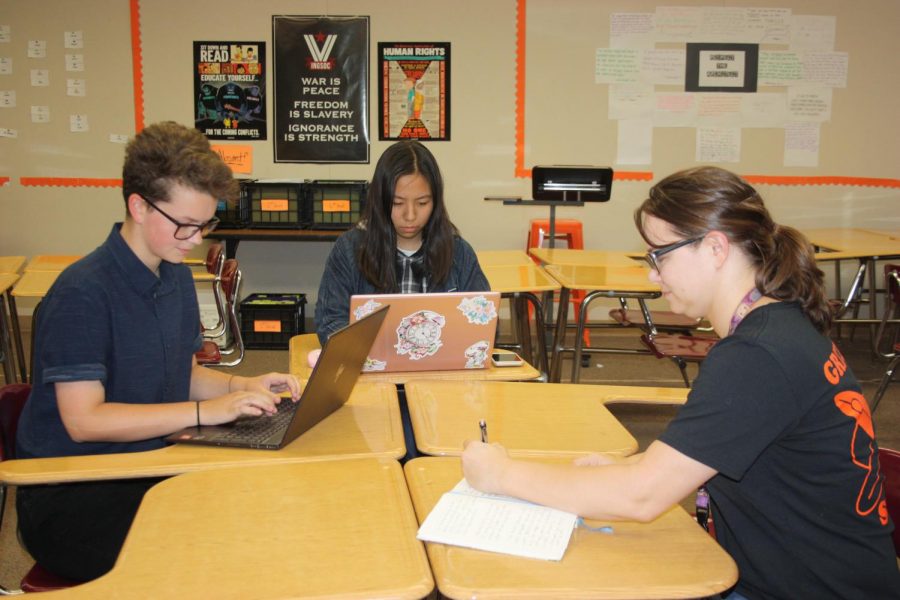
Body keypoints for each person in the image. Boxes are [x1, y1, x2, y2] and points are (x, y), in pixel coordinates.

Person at [462, 166, 900, 599]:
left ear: (714, 249)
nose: (653, 274)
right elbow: (705, 453)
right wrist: (624, 469)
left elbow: (642, 498)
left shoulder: (757, 356)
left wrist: (501, 474)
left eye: (660, 255)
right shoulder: (779, 330)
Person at [15, 121, 301, 582]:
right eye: (185, 225)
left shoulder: (175, 277)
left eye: (204, 224)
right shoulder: (82, 293)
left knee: (264, 505)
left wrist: (240, 384)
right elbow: (83, 421)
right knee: (213, 551)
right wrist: (206, 412)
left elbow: (181, 373)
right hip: (74, 494)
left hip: (150, 462)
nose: (195, 238)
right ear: (139, 206)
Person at [314, 139, 489, 345]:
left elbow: (485, 326)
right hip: (371, 371)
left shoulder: (459, 253)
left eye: (422, 203)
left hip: (438, 373)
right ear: (380, 199)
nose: (410, 215)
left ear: (436, 201)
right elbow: (330, 322)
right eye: (397, 203)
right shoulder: (349, 250)